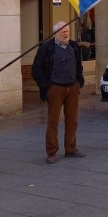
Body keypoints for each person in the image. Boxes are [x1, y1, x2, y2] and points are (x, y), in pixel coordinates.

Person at [32, 21, 85, 164]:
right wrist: (47, 86)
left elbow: (79, 66)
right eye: (63, 32)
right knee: (53, 121)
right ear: (55, 33)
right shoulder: (46, 48)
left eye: (67, 32)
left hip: (72, 87)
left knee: (72, 120)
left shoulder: (73, 46)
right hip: (55, 88)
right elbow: (36, 69)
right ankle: (51, 151)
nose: (66, 34)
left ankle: (70, 148)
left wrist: (79, 82)